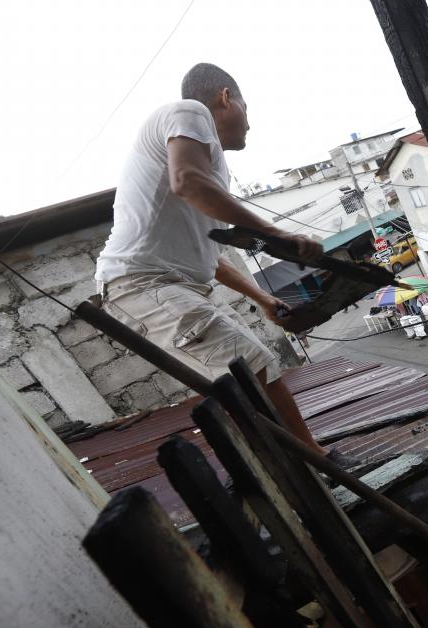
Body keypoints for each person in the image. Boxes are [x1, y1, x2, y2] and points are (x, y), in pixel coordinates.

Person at [94, 63, 357, 467]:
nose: (249, 124)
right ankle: (317, 463)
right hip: (140, 283)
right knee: (252, 367)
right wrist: (279, 233)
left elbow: (209, 254)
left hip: (165, 282)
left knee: (246, 373)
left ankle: (295, 463)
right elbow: (187, 181)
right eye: (246, 109)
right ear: (224, 97)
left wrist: (261, 297)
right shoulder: (189, 112)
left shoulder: (214, 173)